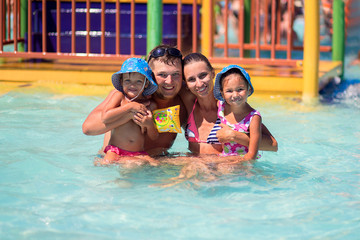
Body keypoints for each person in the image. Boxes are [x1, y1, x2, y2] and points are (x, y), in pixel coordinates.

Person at [82, 44, 187, 156]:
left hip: (156, 161)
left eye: (176, 74)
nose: (169, 81)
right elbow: (88, 129)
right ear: (149, 76)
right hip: (117, 161)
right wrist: (130, 113)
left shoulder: (183, 100)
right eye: (162, 74)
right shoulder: (127, 96)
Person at [96, 58, 159, 166]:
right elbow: (105, 117)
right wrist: (130, 107)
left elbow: (154, 137)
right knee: (105, 164)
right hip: (115, 150)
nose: (132, 85)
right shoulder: (119, 96)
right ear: (121, 81)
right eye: (127, 81)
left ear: (146, 83)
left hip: (138, 153)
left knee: (156, 165)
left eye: (138, 81)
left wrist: (149, 125)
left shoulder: (150, 105)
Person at [213, 64, 261, 160]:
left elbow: (252, 155)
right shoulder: (221, 107)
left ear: (249, 89)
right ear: (222, 93)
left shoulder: (253, 118)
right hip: (225, 158)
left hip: (243, 164)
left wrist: (234, 164)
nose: (235, 95)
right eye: (229, 91)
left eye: (240, 89)